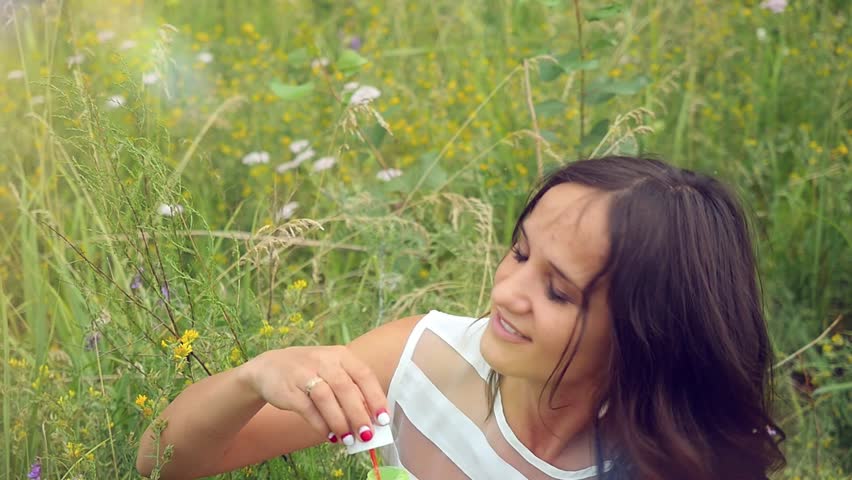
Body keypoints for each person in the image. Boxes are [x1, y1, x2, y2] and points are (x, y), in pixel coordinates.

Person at [136, 156, 786, 480]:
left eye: (558, 292)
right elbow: (162, 460)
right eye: (520, 251)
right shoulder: (418, 362)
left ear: (649, 331)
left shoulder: (676, 459)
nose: (507, 292)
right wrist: (256, 376)